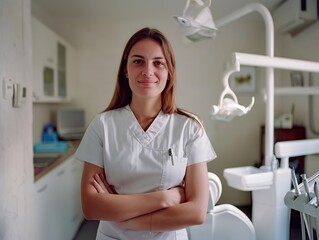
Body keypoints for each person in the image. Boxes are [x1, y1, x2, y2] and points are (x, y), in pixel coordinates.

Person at [75, 27, 217, 240]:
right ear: (126, 70)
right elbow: (91, 207)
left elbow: (196, 212)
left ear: (169, 72)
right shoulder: (102, 125)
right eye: (138, 61)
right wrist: (165, 198)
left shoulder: (190, 127)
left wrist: (122, 215)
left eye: (158, 63)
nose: (148, 71)